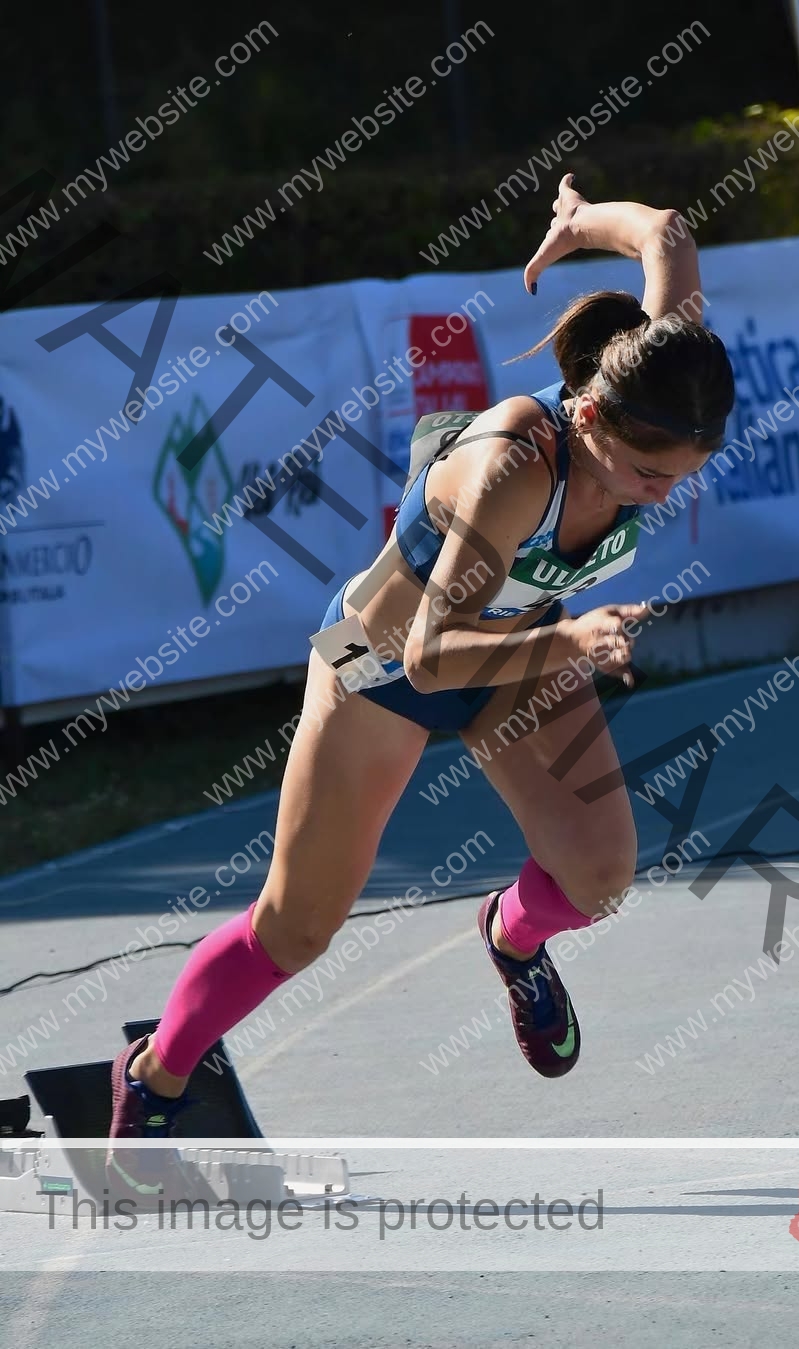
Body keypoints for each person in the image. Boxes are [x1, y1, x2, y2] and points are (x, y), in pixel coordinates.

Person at [107, 174, 734, 1191]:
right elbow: (432, 657)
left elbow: (666, 231)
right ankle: (154, 1072)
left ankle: (510, 937)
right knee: (297, 925)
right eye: (649, 476)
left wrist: (578, 226)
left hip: (516, 651)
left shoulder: (664, 370)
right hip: (384, 662)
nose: (666, 493)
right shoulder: (514, 469)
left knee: (600, 875)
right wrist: (572, 640)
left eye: (685, 474)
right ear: (587, 417)